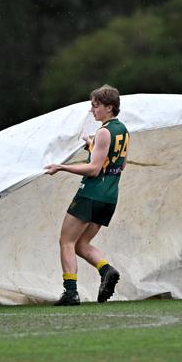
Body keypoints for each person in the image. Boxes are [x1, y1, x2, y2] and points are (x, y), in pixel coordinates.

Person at [45, 84, 130, 305]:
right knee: (81, 244)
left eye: (96, 106)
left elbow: (94, 169)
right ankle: (106, 270)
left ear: (109, 108)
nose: (92, 111)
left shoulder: (104, 131)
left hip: (91, 193)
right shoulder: (123, 131)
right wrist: (91, 145)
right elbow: (120, 166)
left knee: (66, 241)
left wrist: (62, 167)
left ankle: (70, 292)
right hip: (109, 197)